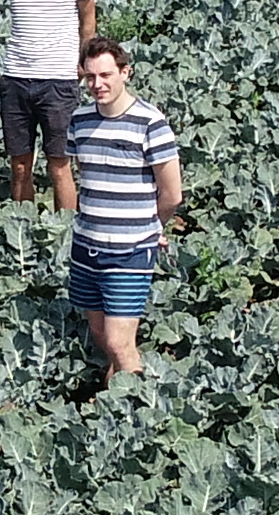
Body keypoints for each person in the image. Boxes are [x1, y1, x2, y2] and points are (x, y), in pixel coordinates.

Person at [57, 36, 185, 382]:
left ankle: (141, 411)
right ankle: (115, 403)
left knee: (119, 342)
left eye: (106, 75)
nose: (98, 84)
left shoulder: (151, 123)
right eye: (90, 77)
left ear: (125, 73)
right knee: (100, 335)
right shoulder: (80, 121)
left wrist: (151, 227)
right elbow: (77, 174)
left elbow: (172, 193)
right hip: (86, 246)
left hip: (130, 250)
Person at [0, 0, 101, 207]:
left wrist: (83, 60)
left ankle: (66, 235)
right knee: (19, 165)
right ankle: (21, 230)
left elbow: (88, 16)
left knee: (60, 164)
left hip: (58, 80)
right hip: (15, 78)